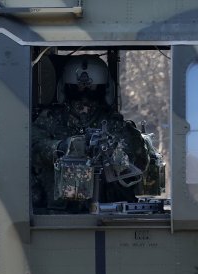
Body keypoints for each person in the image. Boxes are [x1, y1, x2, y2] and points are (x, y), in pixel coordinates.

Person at [31, 54, 154, 214]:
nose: (85, 96)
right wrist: (62, 147)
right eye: (77, 90)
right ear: (65, 89)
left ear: (104, 90)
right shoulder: (50, 120)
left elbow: (139, 161)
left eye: (92, 90)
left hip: (108, 215)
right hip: (56, 213)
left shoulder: (115, 124)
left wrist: (113, 154)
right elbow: (32, 146)